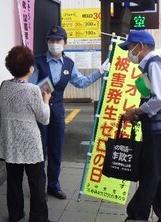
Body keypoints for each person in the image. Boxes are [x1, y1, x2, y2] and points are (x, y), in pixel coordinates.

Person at [29, 25, 110, 200]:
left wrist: (100, 72)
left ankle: (53, 185)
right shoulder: (38, 62)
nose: (55, 44)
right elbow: (30, 87)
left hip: (57, 112)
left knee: (56, 150)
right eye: (51, 41)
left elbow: (81, 82)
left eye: (58, 40)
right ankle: (38, 188)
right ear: (47, 43)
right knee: (39, 152)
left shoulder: (69, 64)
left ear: (65, 43)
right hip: (39, 112)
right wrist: (41, 91)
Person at [119, 30, 161, 222]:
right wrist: (141, 115)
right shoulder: (153, 65)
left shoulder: (153, 65)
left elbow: (160, 98)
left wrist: (136, 112)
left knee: (150, 177)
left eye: (130, 47)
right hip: (160, 130)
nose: (129, 51)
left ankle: (136, 217)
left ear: (141, 46)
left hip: (159, 132)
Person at [0, 45, 51, 222]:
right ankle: (37, 218)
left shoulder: (4, 86)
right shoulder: (33, 90)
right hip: (29, 144)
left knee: (13, 183)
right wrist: (46, 100)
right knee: (36, 183)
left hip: (10, 141)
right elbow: (44, 118)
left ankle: (15, 214)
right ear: (30, 67)